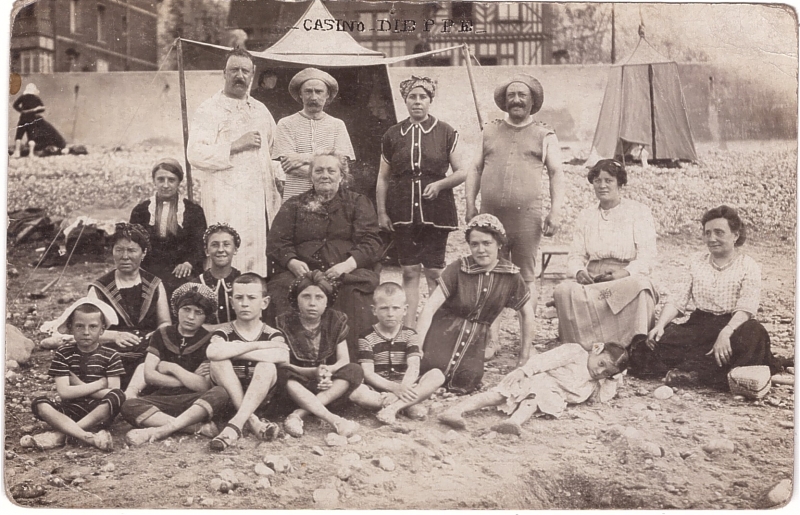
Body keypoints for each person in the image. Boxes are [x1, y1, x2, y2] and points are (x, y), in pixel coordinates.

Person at [465, 73, 565, 360]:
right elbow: (474, 169)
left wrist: (555, 210)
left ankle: (527, 343)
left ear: (532, 101)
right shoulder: (489, 131)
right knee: (491, 274)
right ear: (504, 101)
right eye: (512, 95)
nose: (517, 100)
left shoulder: (545, 134)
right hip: (490, 217)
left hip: (527, 219)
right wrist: (470, 205)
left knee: (526, 279)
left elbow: (557, 172)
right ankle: (491, 340)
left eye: (522, 95)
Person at [628, 206, 780, 388]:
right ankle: (703, 373)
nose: (712, 239)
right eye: (707, 233)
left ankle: (695, 374)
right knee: (649, 346)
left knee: (753, 334)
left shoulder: (749, 266)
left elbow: (746, 308)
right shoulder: (696, 262)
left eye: (719, 232)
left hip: (734, 326)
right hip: (699, 325)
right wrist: (660, 326)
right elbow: (678, 300)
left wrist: (726, 332)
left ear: (735, 235)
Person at [267, 150, 383, 361]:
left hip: (345, 272)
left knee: (353, 294)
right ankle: (294, 360)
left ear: (342, 175)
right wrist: (292, 262)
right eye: (319, 170)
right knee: (283, 289)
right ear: (311, 175)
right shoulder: (294, 205)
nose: (325, 175)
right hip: (302, 274)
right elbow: (277, 242)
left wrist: (346, 266)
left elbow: (371, 242)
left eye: (331, 170)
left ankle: (352, 362)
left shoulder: (358, 203)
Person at [376, 76, 468, 326]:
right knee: (408, 270)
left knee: (435, 271)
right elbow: (383, 178)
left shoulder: (446, 132)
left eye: (423, 97)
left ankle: (435, 324)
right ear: (405, 100)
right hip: (402, 209)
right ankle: (408, 327)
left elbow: (462, 172)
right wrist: (382, 212)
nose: (417, 102)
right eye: (412, 97)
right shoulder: (393, 134)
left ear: (430, 100)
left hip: (436, 210)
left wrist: (439, 185)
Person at [415, 214, 536, 394]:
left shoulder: (511, 276)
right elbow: (429, 308)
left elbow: (527, 315)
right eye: (475, 244)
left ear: (499, 244)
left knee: (466, 381)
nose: (480, 250)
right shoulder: (458, 268)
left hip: (476, 341)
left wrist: (524, 358)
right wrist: (416, 349)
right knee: (432, 371)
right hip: (444, 332)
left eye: (487, 243)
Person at [187, 47, 282, 276]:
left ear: (253, 74)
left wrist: (278, 177)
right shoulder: (209, 109)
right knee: (225, 255)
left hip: (257, 202)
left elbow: (273, 152)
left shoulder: (260, 110)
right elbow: (195, 154)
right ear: (224, 73)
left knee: (255, 260)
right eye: (234, 70)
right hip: (225, 199)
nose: (240, 75)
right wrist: (234, 145)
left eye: (245, 71)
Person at [553, 159, 659, 348]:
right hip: (595, 280)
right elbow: (575, 255)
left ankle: (632, 344)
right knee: (563, 291)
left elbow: (647, 256)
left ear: (620, 183)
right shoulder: (586, 215)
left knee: (641, 286)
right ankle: (581, 345)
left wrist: (622, 273)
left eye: (608, 180)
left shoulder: (638, 212)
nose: (602, 185)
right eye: (597, 180)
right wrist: (579, 271)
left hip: (624, 278)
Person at [439, 342, 629, 435]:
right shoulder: (576, 353)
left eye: (606, 372)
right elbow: (547, 360)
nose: (599, 371)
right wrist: (525, 371)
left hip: (551, 394)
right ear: (596, 349)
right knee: (498, 395)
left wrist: (613, 378)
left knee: (533, 401)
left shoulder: (594, 383)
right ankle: (455, 410)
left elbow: (601, 398)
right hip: (538, 379)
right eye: (601, 363)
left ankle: (513, 423)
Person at [121, 283, 230, 446]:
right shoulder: (162, 334)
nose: (191, 317)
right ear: (177, 310)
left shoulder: (209, 340)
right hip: (163, 399)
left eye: (198, 312)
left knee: (220, 393)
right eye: (186, 309)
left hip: (194, 402)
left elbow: (203, 386)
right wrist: (190, 377)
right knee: (129, 405)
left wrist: (172, 368)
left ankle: (166, 426)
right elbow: (149, 375)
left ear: (206, 316)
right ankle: (192, 427)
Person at [206, 274, 290, 451]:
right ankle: (251, 421)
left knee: (267, 366)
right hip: (227, 399)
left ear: (264, 302)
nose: (244, 303)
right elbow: (212, 352)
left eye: (251, 298)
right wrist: (258, 346)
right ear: (231, 302)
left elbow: (282, 355)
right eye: (239, 298)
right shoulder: (224, 332)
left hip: (261, 400)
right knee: (218, 363)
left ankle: (235, 425)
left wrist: (236, 351)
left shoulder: (272, 333)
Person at [28, 298, 124, 451]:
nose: (86, 332)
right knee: (40, 403)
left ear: (102, 329)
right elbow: (64, 393)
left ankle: (62, 434)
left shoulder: (111, 355)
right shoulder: (63, 353)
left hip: (99, 412)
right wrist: (98, 384)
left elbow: (113, 392)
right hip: (70, 409)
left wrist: (77, 384)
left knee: (118, 396)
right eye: (79, 326)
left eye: (93, 327)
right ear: (71, 328)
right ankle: (87, 437)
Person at [275, 271, 362, 438]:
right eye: (306, 296)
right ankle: (334, 420)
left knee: (354, 369)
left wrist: (328, 372)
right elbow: (284, 364)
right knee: (282, 373)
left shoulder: (336, 320)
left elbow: (343, 360)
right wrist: (314, 372)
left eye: (319, 297)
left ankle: (298, 414)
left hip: (327, 385)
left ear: (328, 300)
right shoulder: (284, 322)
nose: (312, 303)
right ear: (296, 298)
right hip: (298, 386)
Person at [88, 223, 171, 394]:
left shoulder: (155, 284)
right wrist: (115, 335)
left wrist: (157, 334)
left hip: (146, 353)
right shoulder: (99, 288)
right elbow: (87, 329)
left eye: (132, 250)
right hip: (111, 353)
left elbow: (165, 322)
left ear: (144, 253)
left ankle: (129, 396)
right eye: (119, 250)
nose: (125, 256)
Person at [349, 282, 443, 425]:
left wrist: (402, 388)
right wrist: (394, 389)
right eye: (384, 308)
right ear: (374, 310)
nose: (390, 313)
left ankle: (394, 407)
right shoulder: (366, 337)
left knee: (437, 375)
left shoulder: (410, 335)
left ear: (405, 310)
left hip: (406, 384)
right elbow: (368, 373)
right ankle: (407, 405)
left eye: (396, 308)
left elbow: (413, 366)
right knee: (356, 393)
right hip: (380, 389)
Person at [275, 68, 355, 200]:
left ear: (327, 94)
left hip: (330, 197)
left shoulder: (337, 125)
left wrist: (302, 158)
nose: (313, 97)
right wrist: (327, 172)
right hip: (295, 197)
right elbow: (288, 166)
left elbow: (342, 165)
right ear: (300, 94)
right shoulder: (285, 124)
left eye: (318, 92)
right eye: (308, 91)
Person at [129, 158, 208, 295]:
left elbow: (200, 245)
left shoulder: (193, 211)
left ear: (179, 182)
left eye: (171, 180)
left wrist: (188, 263)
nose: (165, 185)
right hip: (148, 270)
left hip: (182, 271)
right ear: (154, 181)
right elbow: (132, 244)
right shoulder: (141, 211)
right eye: (161, 179)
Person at [194, 223, 242, 328]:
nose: (220, 250)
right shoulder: (196, 285)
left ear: (235, 249)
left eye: (226, 244)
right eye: (214, 245)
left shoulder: (244, 283)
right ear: (207, 251)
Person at [12, 83, 67, 158]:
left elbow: (15, 105)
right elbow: (42, 108)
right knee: (31, 136)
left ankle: (17, 152)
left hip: (23, 118)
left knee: (19, 135)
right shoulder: (36, 98)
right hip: (32, 119)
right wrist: (35, 110)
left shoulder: (23, 97)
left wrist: (21, 111)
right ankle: (31, 154)